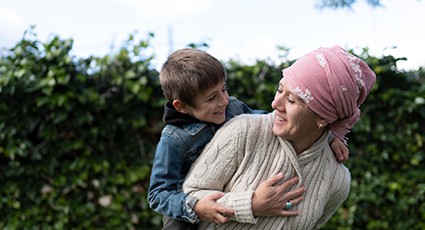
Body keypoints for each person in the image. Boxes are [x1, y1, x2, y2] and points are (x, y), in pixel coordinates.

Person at [148, 48, 349, 230]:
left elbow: (271, 120)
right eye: (211, 98)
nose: (224, 101)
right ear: (181, 106)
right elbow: (158, 194)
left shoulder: (233, 108)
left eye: (224, 89)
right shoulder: (173, 139)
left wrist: (331, 136)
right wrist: (195, 206)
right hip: (185, 211)